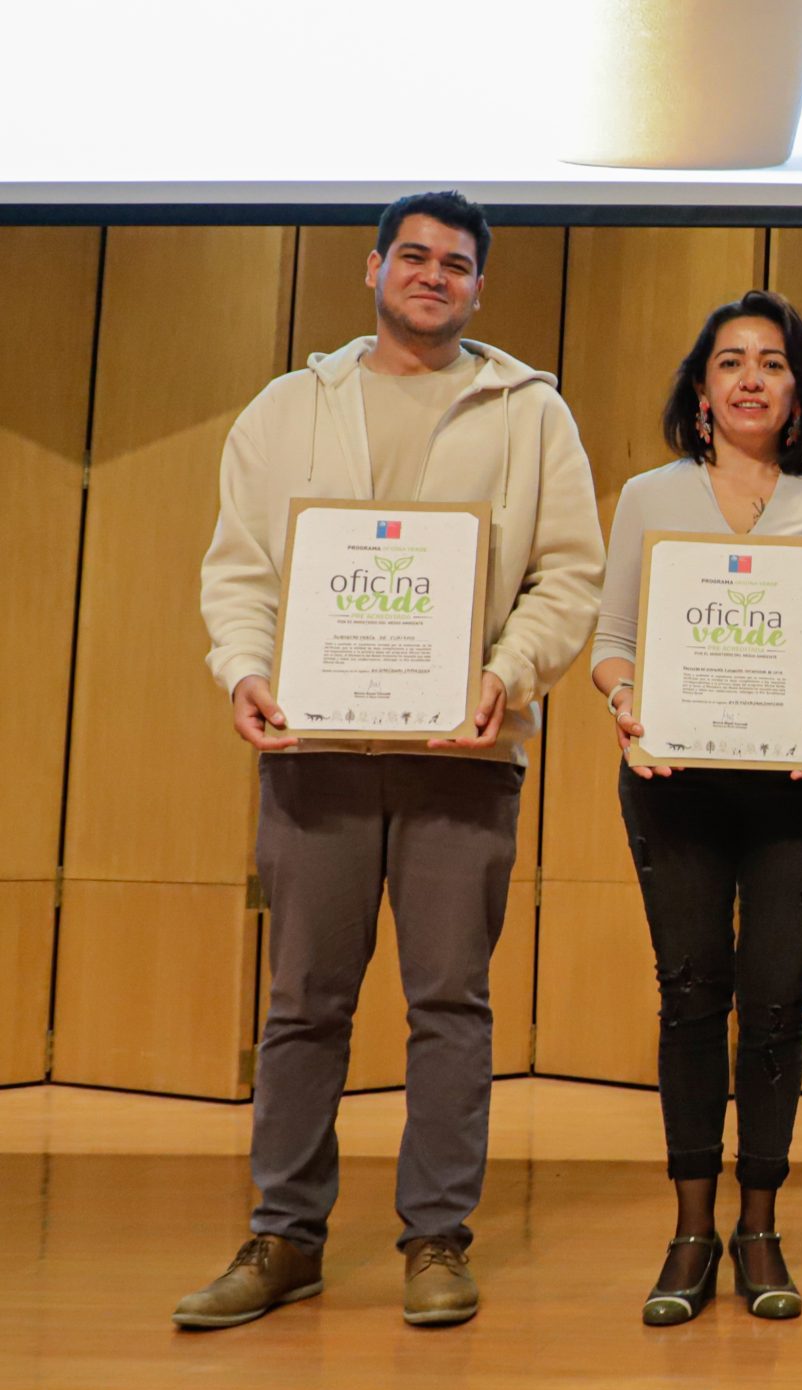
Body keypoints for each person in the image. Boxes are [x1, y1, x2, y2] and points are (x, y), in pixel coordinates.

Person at [180, 190, 605, 1329]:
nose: (432, 275)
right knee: (304, 1003)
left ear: (479, 287)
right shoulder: (285, 410)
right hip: (313, 748)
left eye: (455, 264)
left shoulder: (530, 413)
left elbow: (569, 576)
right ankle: (284, 1236)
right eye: (411, 256)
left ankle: (435, 1238)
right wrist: (243, 669)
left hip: (463, 754)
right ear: (371, 269)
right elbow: (241, 571)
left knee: (449, 1003)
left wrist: (504, 676)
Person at [589, 290, 802, 1325]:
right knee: (689, 993)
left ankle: (758, 1225)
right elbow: (612, 638)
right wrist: (627, 702)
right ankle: (688, 1229)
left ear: (798, 393)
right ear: (702, 389)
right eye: (731, 361)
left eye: (771, 362)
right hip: (673, 782)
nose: (751, 377)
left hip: (798, 788)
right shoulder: (646, 496)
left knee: (772, 1000)